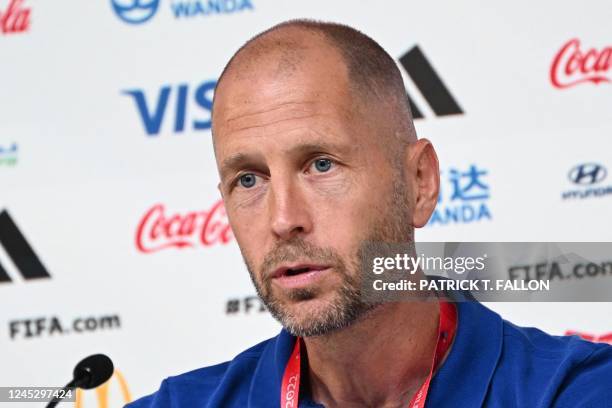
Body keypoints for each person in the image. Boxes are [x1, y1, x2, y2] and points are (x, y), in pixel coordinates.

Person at [127, 20, 612, 407]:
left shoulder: (577, 391)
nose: (283, 219)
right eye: (249, 179)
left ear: (420, 182)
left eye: (321, 165)